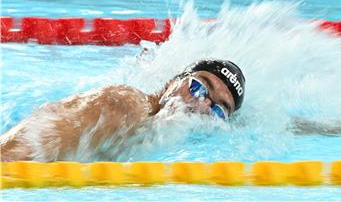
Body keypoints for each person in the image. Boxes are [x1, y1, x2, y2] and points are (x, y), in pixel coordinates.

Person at [0, 59, 245, 162]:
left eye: (218, 110)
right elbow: (9, 157)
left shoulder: (167, 145)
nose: (201, 104)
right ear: (173, 81)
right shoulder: (124, 105)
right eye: (198, 86)